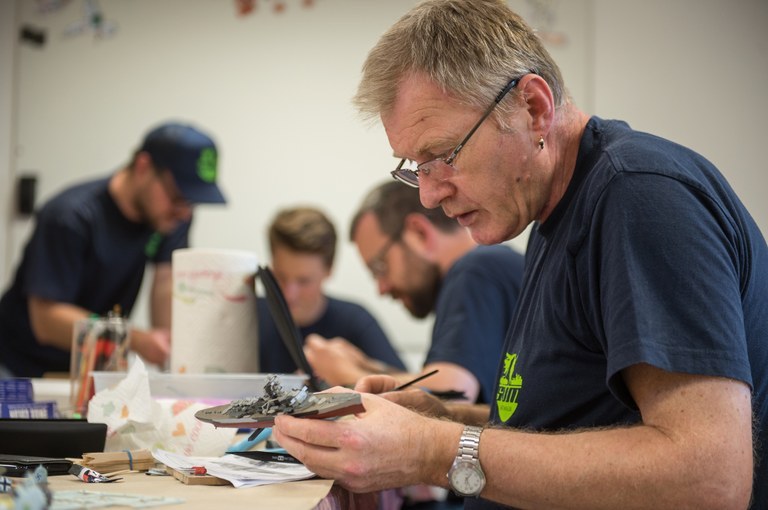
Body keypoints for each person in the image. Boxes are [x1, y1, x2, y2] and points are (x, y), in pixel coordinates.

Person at [272, 1, 768, 509]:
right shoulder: (552, 216)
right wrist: (443, 420)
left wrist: (432, 449)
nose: (429, 195)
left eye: (442, 155)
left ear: (533, 108)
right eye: (416, 167)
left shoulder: (637, 196)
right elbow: (572, 424)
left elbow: (709, 478)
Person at [0, 121, 226, 378]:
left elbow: (166, 281)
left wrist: (171, 350)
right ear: (143, 166)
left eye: (192, 203)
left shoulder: (170, 217)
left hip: (93, 368)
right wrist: (135, 339)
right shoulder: (70, 216)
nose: (184, 212)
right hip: (19, 366)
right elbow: (47, 320)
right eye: (178, 198)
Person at [303, 181, 524, 404]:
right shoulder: (486, 272)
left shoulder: (475, 271)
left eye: (380, 266)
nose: (381, 288)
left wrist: (345, 374)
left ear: (420, 233)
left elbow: (449, 397)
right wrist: (369, 368)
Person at [257, 206, 406, 385]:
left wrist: (354, 370)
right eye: (280, 277)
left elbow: (407, 386)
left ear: (329, 270)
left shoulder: (355, 321)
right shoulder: (249, 316)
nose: (289, 294)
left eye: (304, 281)